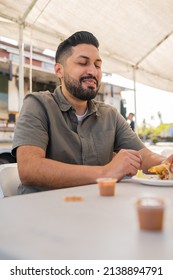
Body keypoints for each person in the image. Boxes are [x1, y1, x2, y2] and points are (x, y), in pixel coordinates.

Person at [12, 31, 173, 194]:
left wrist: (167, 162)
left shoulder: (110, 115)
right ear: (59, 70)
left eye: (97, 65)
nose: (93, 72)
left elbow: (144, 156)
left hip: (95, 209)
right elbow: (29, 169)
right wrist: (106, 172)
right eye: (83, 63)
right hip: (38, 212)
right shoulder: (38, 105)